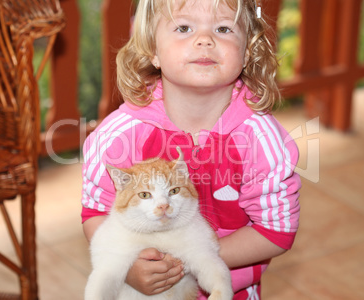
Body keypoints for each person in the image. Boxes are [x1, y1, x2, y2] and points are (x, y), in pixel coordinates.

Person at [81, 0, 301, 299]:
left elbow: (276, 231)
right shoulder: (118, 137)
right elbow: (95, 211)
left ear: (248, 51)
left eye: (223, 28)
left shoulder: (263, 141)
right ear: (152, 51)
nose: (204, 39)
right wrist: (126, 265)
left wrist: (188, 257)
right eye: (184, 28)